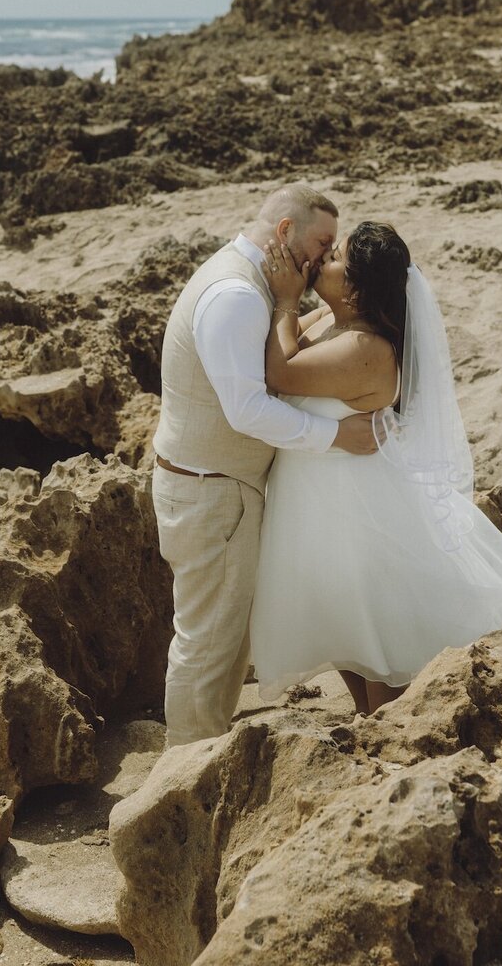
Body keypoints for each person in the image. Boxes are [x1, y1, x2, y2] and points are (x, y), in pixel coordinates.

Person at [250, 221, 502, 716]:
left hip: (358, 514)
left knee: (383, 653)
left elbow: (279, 372)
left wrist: (283, 299)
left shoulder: (367, 348)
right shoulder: (332, 321)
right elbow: (280, 348)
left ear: (359, 287)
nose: (322, 262)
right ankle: (370, 724)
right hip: (319, 503)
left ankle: (399, 748)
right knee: (345, 633)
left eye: (334, 258)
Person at [152, 184, 383, 745]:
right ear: (285, 232)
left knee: (224, 644)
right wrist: (336, 436)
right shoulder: (234, 294)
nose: (325, 258)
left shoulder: (251, 283)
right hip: (212, 492)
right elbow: (248, 407)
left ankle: (198, 759)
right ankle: (186, 774)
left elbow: (289, 355)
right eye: (322, 242)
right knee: (208, 646)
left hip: (215, 486)